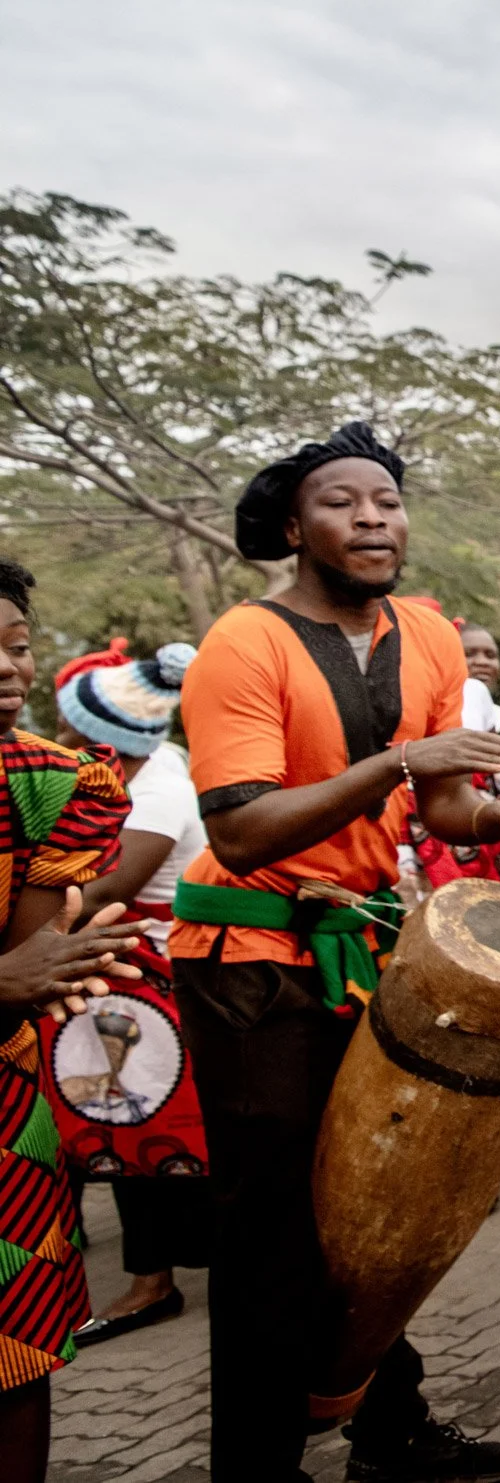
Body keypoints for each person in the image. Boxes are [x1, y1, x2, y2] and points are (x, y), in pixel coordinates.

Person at [171, 423, 500, 1483]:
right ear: (291, 527)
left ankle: (389, 1428)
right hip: (242, 960)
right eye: (342, 502)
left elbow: (444, 806)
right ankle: (258, 1463)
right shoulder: (245, 640)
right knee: (273, 1225)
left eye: (388, 500)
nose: (373, 518)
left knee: (368, 1193)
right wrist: (403, 758)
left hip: (354, 950)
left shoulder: (430, 633)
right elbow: (243, 830)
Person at [0, 556, 141, 1483]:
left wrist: (42, 970)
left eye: (14, 646)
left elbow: (29, 966)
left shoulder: (49, 783)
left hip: (6, 1114)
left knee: (18, 1348)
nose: (7, 670)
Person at [46, 643, 211, 1346]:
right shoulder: (126, 777)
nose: (67, 745)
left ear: (109, 739)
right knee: (119, 1122)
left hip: (163, 972)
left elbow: (110, 886)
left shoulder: (160, 786)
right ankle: (153, 1274)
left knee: (162, 1123)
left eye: (79, 736)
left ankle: (163, 1277)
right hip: (123, 974)